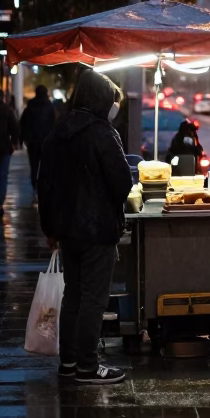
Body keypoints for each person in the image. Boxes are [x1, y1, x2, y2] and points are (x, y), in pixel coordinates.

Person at [38, 69, 130, 385]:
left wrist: (49, 228)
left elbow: (44, 185)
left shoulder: (59, 130)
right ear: (102, 100)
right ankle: (88, 365)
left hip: (67, 232)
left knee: (73, 296)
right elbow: (123, 183)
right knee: (94, 298)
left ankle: (69, 362)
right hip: (97, 230)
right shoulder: (103, 133)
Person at [20, 85, 56, 204]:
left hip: (33, 141)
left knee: (34, 166)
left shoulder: (30, 105)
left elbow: (23, 122)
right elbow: (54, 124)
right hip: (46, 142)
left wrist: (23, 138)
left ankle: (34, 187)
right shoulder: (50, 106)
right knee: (45, 166)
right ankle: (43, 188)